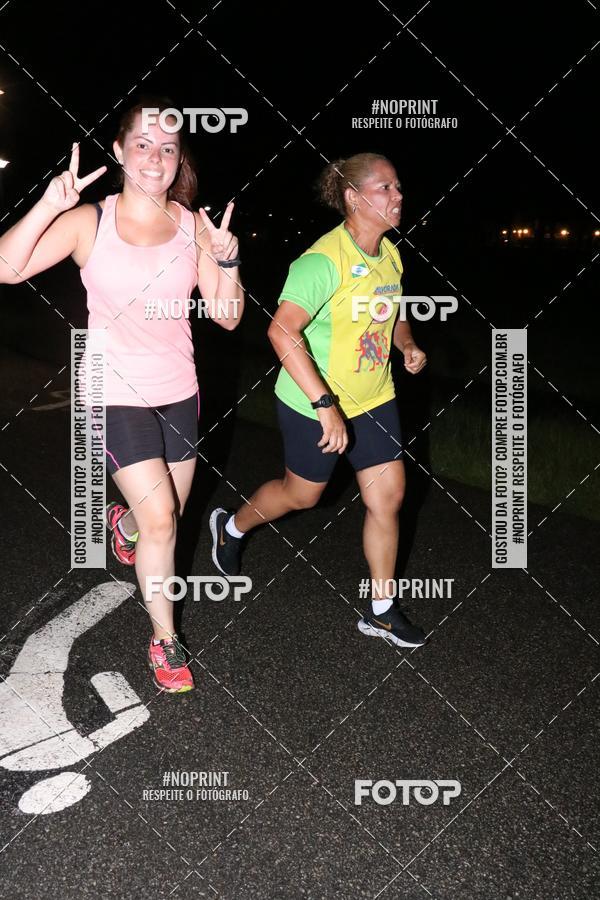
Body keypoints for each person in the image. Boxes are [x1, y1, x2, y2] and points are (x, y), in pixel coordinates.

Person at [0, 97, 244, 691]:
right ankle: (165, 642)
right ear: (119, 150)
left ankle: (126, 524)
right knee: (165, 521)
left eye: (168, 146)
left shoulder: (192, 226)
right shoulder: (91, 221)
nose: (156, 156)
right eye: (143, 143)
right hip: (112, 389)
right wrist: (48, 204)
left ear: (178, 155)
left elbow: (229, 316)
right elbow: (8, 268)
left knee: (165, 516)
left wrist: (228, 260)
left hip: (179, 391)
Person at [210, 152, 426, 648]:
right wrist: (324, 403)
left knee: (388, 498)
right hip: (314, 398)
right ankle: (233, 527)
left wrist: (408, 345)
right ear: (353, 198)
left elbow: (394, 317)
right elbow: (281, 331)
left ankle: (382, 610)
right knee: (303, 494)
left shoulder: (390, 254)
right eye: (385, 188)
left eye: (398, 187)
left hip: (374, 398)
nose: (398, 197)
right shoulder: (322, 261)